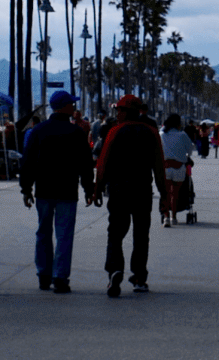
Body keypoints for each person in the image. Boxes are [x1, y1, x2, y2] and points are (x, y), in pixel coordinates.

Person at [19, 90, 94, 293]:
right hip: (67, 191)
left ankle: (43, 275)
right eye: (72, 104)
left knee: (43, 232)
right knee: (64, 234)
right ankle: (60, 277)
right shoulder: (76, 133)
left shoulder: (38, 131)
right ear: (64, 106)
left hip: (44, 190)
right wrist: (89, 188)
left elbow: (27, 162)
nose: (74, 107)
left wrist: (26, 189)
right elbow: (85, 164)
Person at [94, 94, 167, 296]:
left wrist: (98, 188)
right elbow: (159, 167)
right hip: (142, 190)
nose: (117, 113)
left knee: (115, 233)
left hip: (118, 191)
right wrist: (164, 195)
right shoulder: (152, 133)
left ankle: (115, 270)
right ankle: (139, 278)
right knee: (141, 235)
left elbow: (103, 162)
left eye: (120, 110)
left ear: (128, 112)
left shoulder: (115, 131)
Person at [160, 114, 195, 227]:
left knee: (165, 193)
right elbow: (190, 150)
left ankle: (166, 217)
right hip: (179, 166)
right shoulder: (182, 135)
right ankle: (173, 217)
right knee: (175, 193)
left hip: (165, 166)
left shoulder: (162, 134)